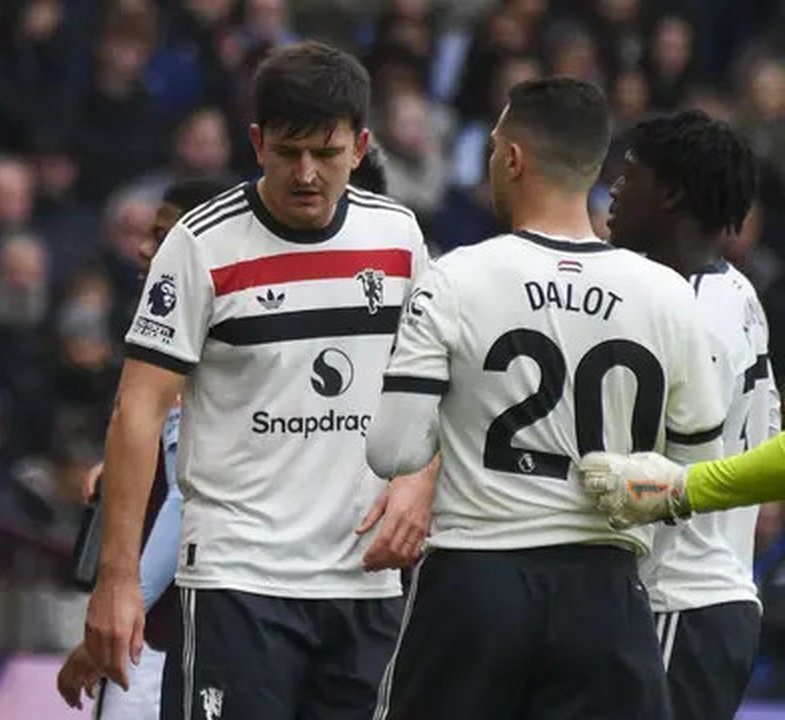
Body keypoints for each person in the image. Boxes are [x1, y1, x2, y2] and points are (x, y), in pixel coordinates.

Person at [83, 41, 433, 720]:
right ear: (256, 142)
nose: (306, 173)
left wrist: (419, 483)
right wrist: (118, 579)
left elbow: (433, 377)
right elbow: (138, 410)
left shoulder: (399, 238)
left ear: (359, 147)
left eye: (326, 154)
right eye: (287, 151)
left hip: (362, 587)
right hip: (235, 582)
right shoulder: (200, 244)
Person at [365, 77, 727, 720]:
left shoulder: (455, 278)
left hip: (474, 586)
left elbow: (393, 448)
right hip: (606, 594)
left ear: (512, 159)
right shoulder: (669, 295)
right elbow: (697, 476)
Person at [604, 109, 772, 720]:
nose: (614, 187)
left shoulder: (686, 316)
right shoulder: (736, 291)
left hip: (681, 601)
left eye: (631, 171)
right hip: (714, 595)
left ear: (671, 192)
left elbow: (637, 472)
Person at [57, 175, 235, 717]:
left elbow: (187, 496)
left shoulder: (197, 344)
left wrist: (121, 604)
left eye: (161, 236)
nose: (143, 248)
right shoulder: (179, 332)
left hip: (162, 637)